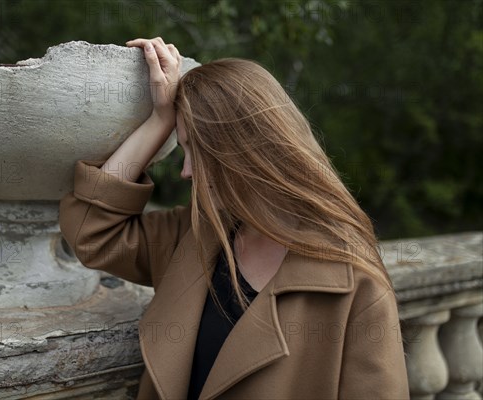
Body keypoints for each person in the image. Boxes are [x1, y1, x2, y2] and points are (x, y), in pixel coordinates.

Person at [59, 37, 410, 399]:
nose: (186, 171)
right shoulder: (196, 234)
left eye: (196, 150)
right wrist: (159, 120)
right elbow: (90, 229)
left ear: (242, 151)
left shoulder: (354, 286)